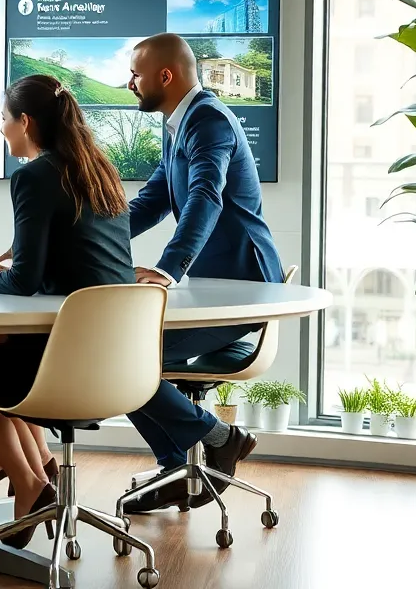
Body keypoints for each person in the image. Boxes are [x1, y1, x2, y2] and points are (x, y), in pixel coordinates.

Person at [0, 74, 135, 548]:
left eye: (4, 119)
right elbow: (74, 264)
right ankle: (30, 464)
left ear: (24, 122)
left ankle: (28, 482)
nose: (1, 128)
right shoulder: (98, 169)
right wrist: (5, 270)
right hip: (118, 357)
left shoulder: (34, 176)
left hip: (68, 358)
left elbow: (23, 283)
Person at [120, 32, 283, 513]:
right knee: (119, 351)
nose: (130, 83)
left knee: (121, 355)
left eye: (135, 74)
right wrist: (86, 241)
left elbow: (204, 196)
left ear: (165, 76)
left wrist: (168, 269)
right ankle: (180, 463)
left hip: (243, 291)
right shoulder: (178, 124)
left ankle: (216, 439)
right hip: (217, 289)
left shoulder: (209, 120)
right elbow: (151, 201)